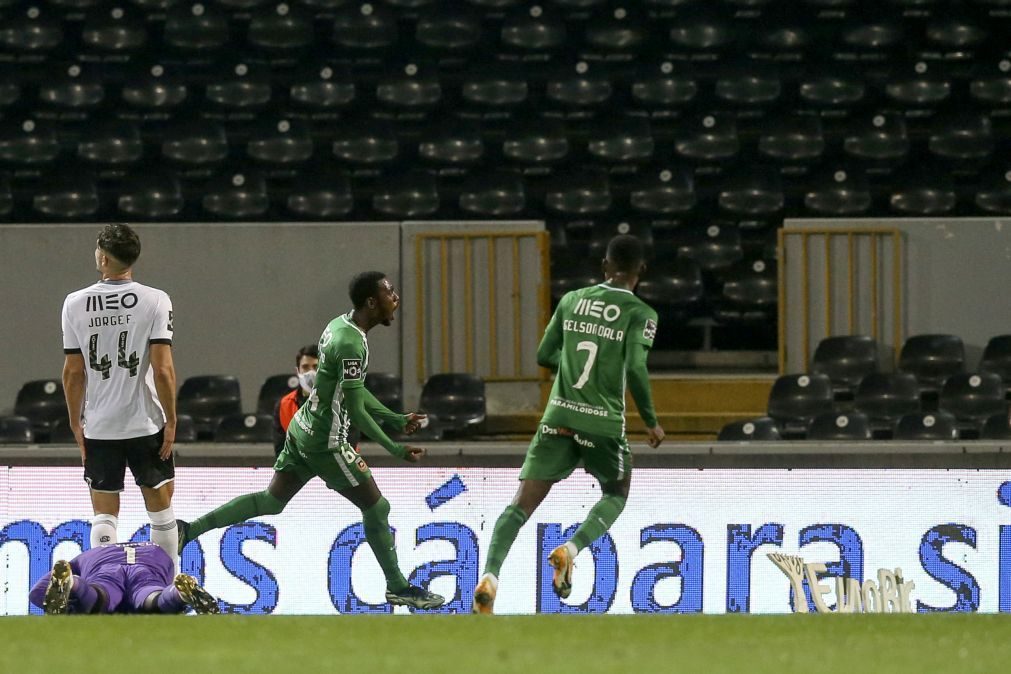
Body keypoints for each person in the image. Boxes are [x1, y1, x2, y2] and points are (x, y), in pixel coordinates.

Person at [178, 271, 445, 610]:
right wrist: (393, 447)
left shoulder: (340, 326)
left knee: (272, 500)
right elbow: (354, 407)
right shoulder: (351, 342)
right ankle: (398, 587)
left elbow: (355, 390)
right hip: (325, 440)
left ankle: (189, 530)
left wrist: (393, 417)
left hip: (303, 427)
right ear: (371, 302)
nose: (396, 297)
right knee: (377, 506)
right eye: (389, 292)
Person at [472, 234, 665, 614]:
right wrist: (652, 422)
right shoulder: (642, 313)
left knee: (520, 504)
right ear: (641, 271)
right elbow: (636, 367)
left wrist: (574, 367)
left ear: (604, 267)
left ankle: (490, 577)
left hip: (558, 415)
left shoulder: (572, 300)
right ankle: (570, 549)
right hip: (602, 422)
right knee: (616, 493)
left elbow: (544, 354)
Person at [61, 223, 179, 567]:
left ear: (103, 258)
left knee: (104, 513)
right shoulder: (156, 299)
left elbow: (73, 372)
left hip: (100, 425)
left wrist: (75, 423)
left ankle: (101, 586)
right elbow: (163, 369)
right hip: (145, 422)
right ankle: (167, 587)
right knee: (160, 508)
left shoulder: (74, 303)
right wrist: (171, 420)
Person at [31, 542, 219, 615]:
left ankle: (73, 584)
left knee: (101, 597)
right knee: (151, 598)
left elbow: (37, 592)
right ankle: (179, 593)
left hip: (104, 565)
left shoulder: (89, 553)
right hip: (150, 560)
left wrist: (71, 608)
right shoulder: (159, 551)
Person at [271, 344, 319, 457]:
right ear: (297, 371)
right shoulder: (284, 405)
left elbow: (350, 442)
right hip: (298, 469)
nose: (311, 372)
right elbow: (281, 450)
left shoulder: (342, 402)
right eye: (306, 367)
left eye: (316, 367)